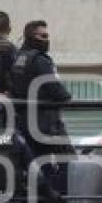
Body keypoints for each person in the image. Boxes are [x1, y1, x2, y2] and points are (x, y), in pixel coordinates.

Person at [9, 20, 73, 158]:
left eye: (47, 36)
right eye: (43, 36)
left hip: (24, 123)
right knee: (68, 162)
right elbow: (56, 90)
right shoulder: (39, 60)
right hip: (45, 123)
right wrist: (67, 97)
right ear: (31, 37)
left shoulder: (19, 58)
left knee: (37, 164)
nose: (47, 40)